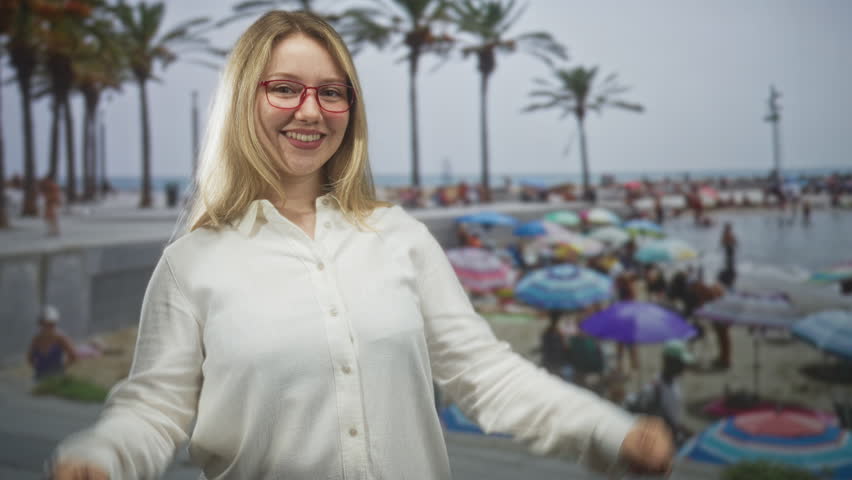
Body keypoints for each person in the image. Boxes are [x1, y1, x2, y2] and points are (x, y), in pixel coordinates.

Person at [48, 11, 673, 480]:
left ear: (351, 106)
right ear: (246, 99)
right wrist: (101, 455)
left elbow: (485, 375)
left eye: (332, 91)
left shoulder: (400, 239)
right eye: (284, 87)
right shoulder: (191, 264)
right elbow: (156, 409)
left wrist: (609, 431)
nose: (311, 110)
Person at [625, 341, 694, 447]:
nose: (685, 366)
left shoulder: (672, 383)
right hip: (663, 441)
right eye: (682, 363)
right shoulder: (655, 389)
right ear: (671, 362)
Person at [27, 305, 78, 381]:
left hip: (57, 377)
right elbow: (30, 358)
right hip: (40, 376)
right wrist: (38, 368)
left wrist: (62, 367)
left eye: (50, 324)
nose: (47, 327)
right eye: (44, 324)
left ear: (54, 324)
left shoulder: (60, 337)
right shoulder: (37, 339)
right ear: (41, 323)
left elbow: (73, 356)